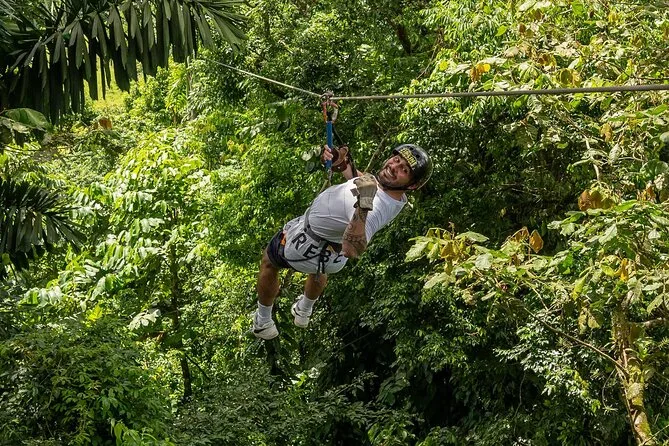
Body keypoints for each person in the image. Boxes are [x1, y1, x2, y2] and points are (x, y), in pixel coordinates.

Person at [252, 144, 432, 339]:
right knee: (319, 270)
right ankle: (304, 310)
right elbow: (361, 184)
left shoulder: (377, 208)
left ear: (412, 185)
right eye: (396, 160)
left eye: (404, 170)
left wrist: (363, 205)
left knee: (269, 261)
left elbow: (353, 249)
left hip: (306, 246)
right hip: (330, 255)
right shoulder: (393, 194)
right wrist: (342, 163)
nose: (394, 167)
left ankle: (263, 321)